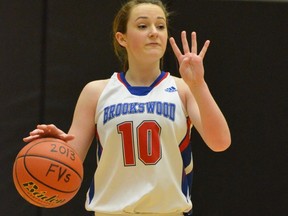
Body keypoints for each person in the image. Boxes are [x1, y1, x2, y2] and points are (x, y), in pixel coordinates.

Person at [24, 0, 231, 215]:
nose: (154, 32)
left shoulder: (182, 89)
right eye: (143, 26)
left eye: (160, 26)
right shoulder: (96, 92)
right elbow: (70, 162)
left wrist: (199, 85)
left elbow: (220, 143)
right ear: (121, 38)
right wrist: (55, 146)